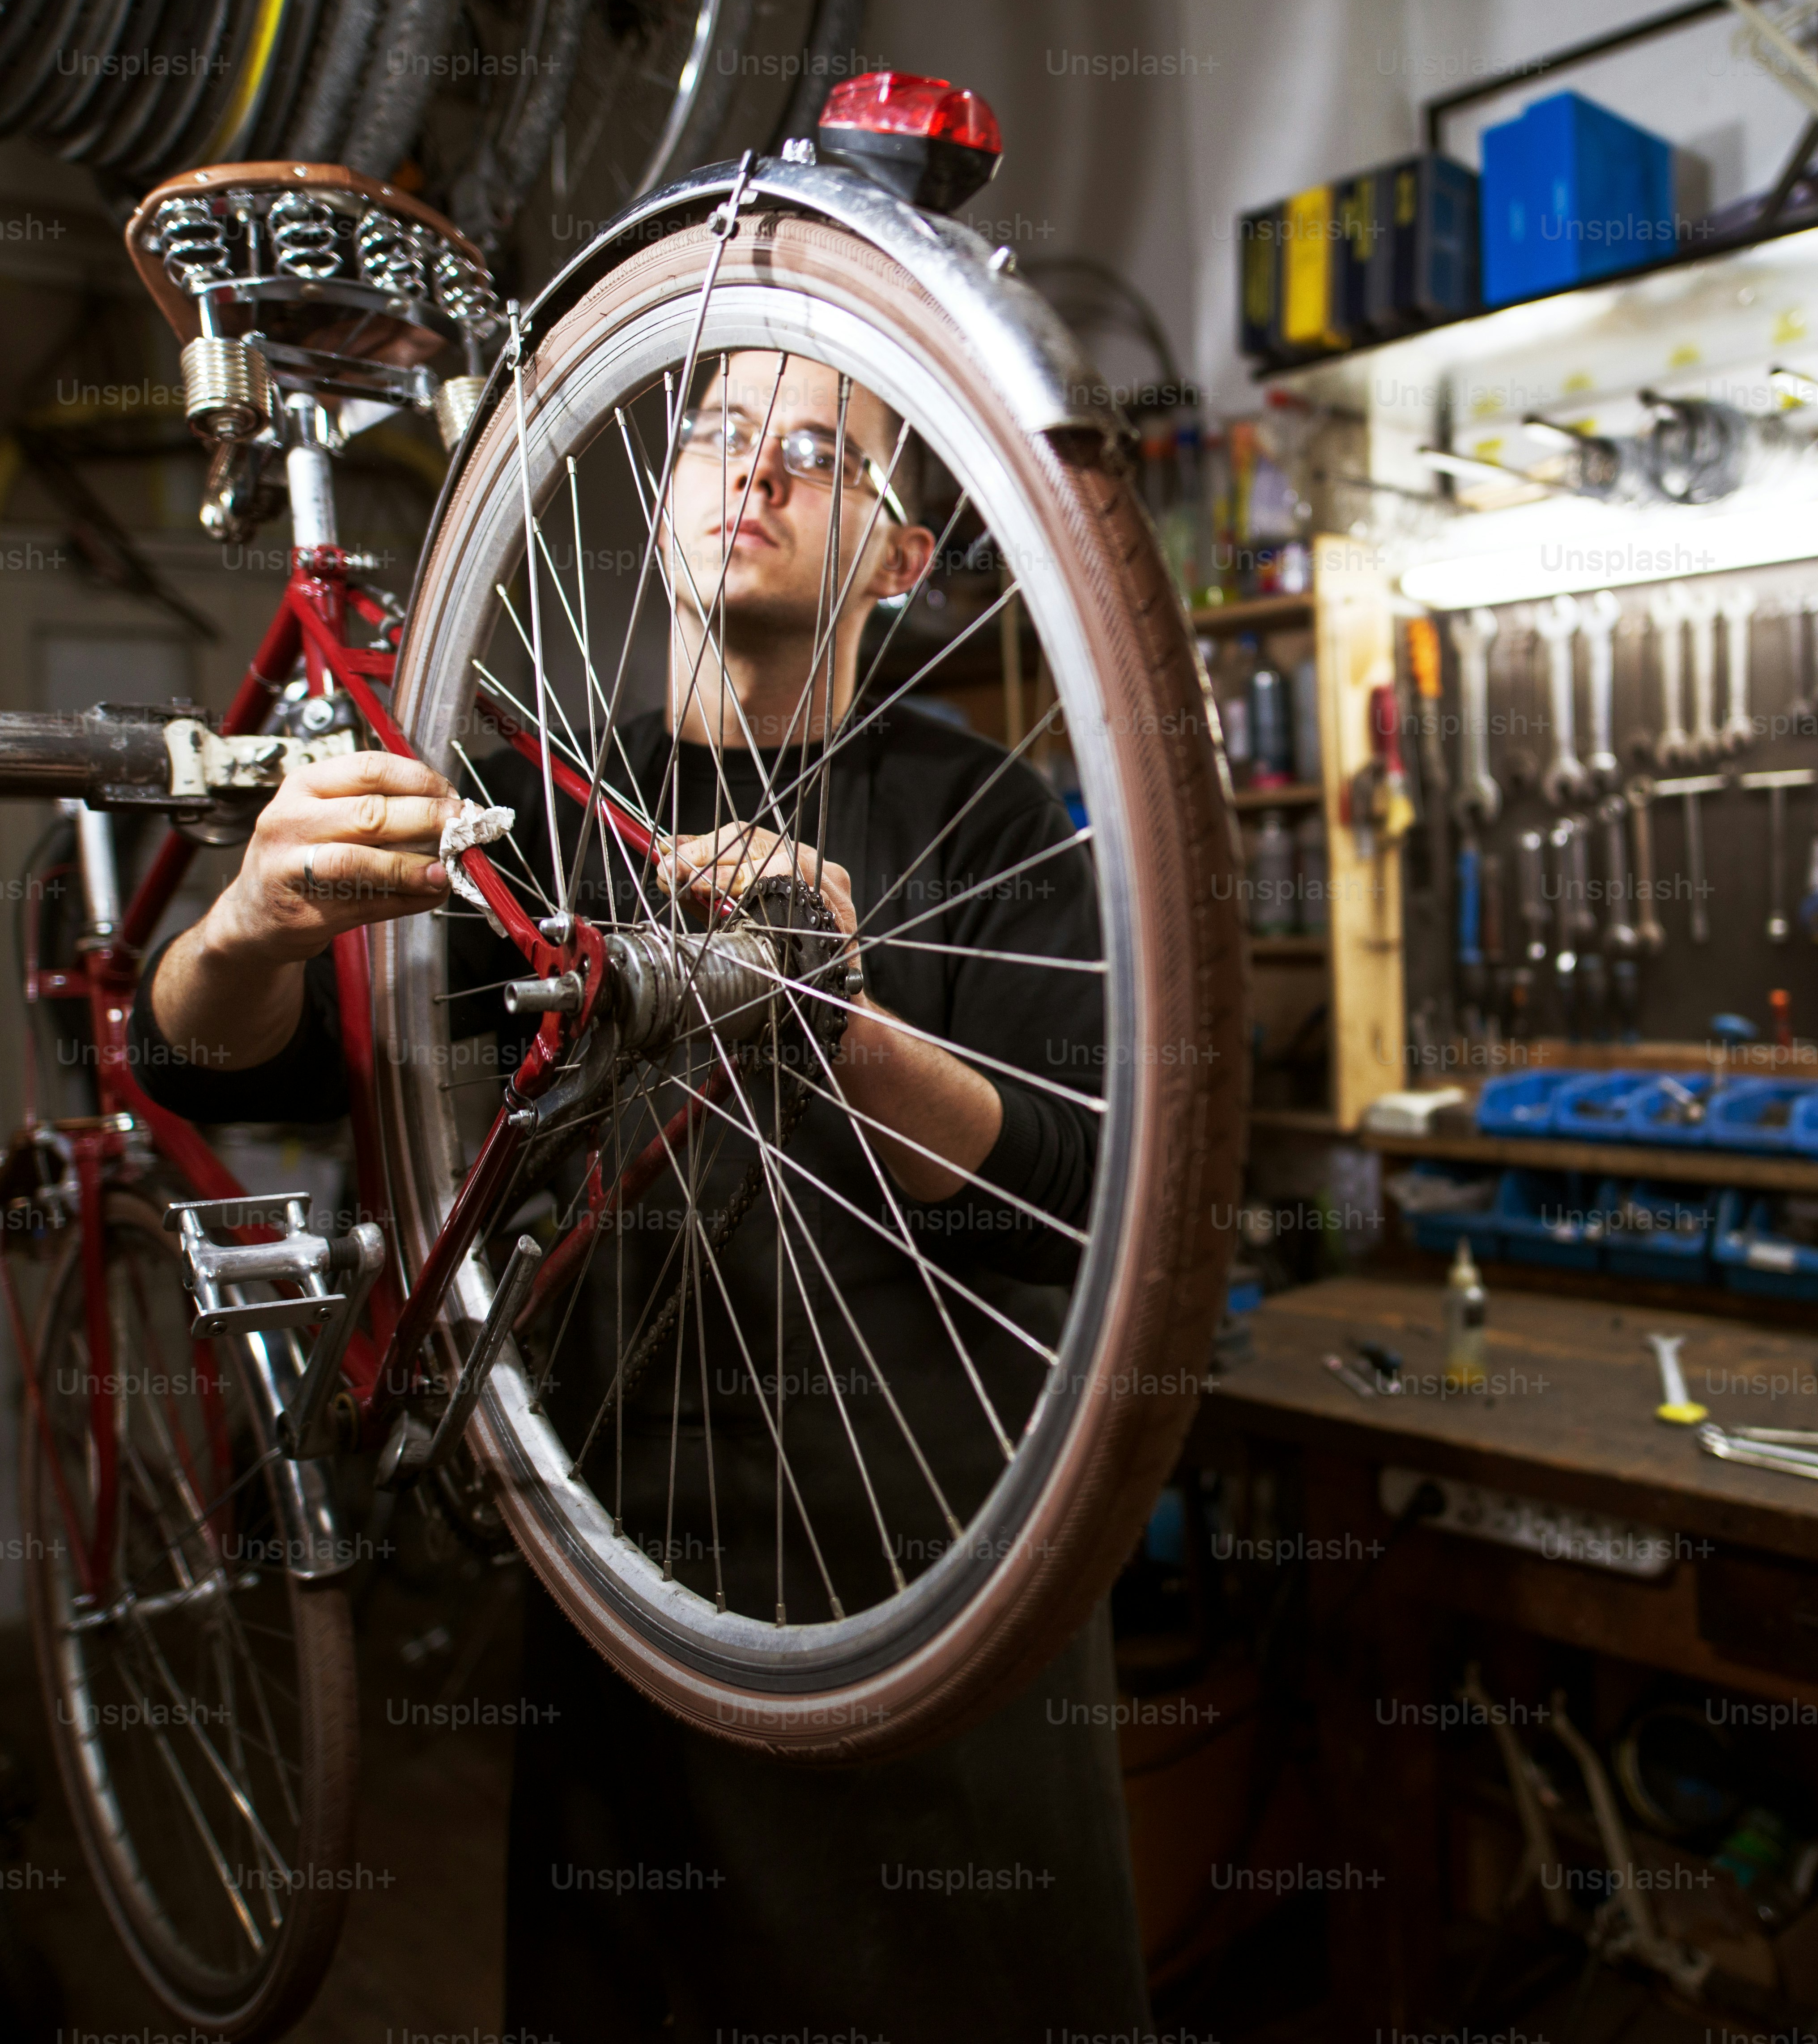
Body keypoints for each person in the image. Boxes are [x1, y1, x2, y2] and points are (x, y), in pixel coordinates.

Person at [128, 353, 1151, 2040]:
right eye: (718, 434)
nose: (755, 474)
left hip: (936, 1580)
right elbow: (221, 1071)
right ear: (662, 489)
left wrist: (839, 1017)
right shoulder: (522, 818)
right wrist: (246, 931)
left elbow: (1055, 1201)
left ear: (901, 565)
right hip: (631, 1579)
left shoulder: (989, 814)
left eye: (822, 455)